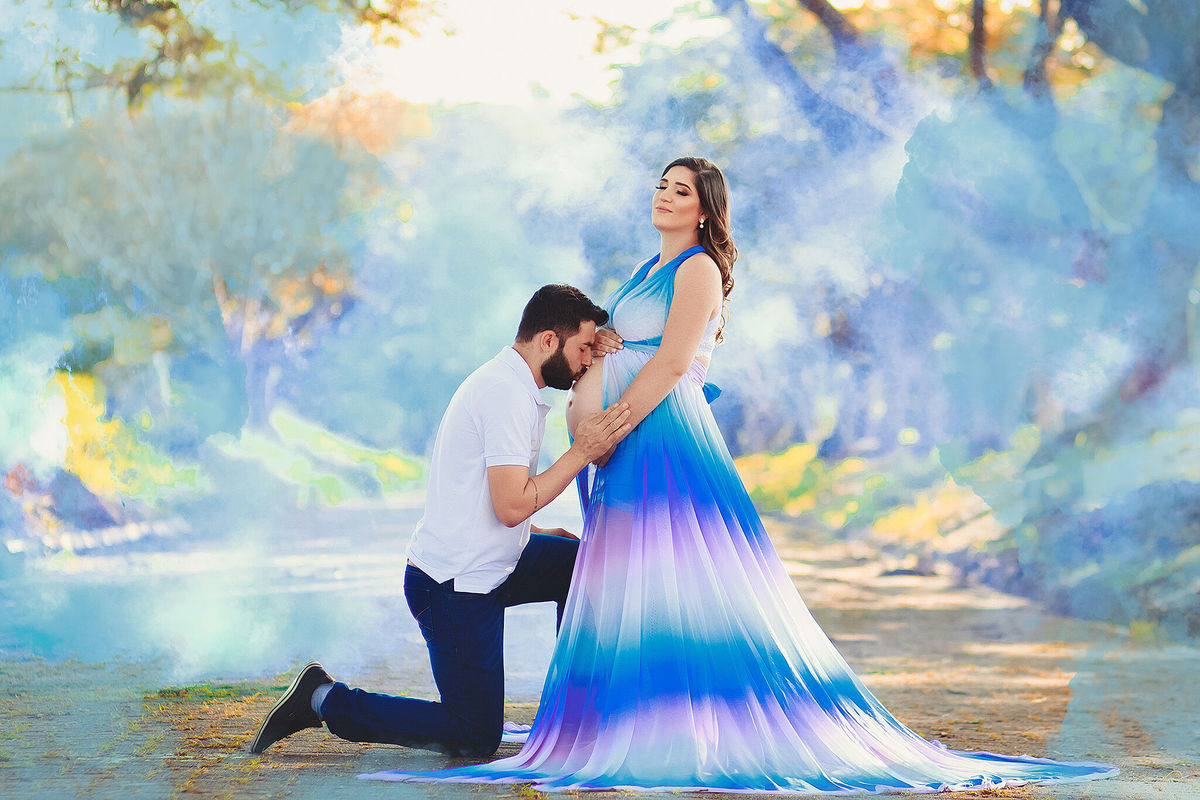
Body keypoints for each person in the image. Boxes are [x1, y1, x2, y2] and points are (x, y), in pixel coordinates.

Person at [362, 157, 1119, 792]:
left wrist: (610, 431)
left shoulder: (698, 271)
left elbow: (666, 363)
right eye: (662, 184)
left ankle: (679, 718)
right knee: (617, 580)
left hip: (661, 438)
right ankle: (609, 711)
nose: (665, 195)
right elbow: (598, 354)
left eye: (681, 189)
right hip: (615, 449)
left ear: (704, 211)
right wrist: (583, 427)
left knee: (683, 579)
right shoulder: (640, 270)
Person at [249, 284, 632, 757]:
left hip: (493, 563)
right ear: (548, 341)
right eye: (582, 350)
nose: (586, 363)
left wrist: (529, 536)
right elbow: (511, 504)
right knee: (475, 736)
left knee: (580, 564)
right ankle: (322, 698)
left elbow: (479, 499)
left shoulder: (515, 386)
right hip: (453, 586)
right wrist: (583, 452)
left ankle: (574, 713)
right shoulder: (504, 394)